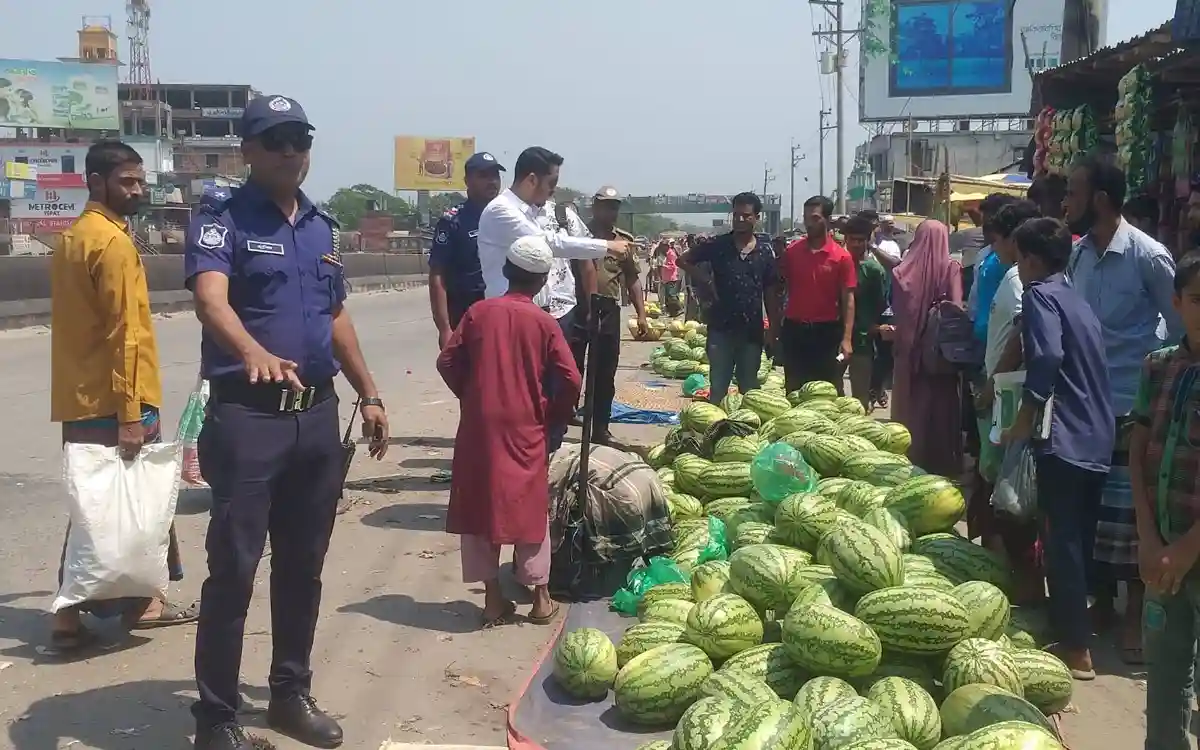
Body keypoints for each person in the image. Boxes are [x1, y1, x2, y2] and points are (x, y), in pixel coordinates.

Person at [185, 95, 390, 750]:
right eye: (275, 140)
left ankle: (288, 695)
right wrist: (252, 352)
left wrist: (370, 393)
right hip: (249, 420)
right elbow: (210, 300)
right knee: (234, 570)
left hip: (316, 420)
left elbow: (336, 316)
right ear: (248, 150)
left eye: (300, 138)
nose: (290, 151)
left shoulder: (323, 228)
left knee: (304, 566)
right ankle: (217, 718)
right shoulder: (222, 217)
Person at [49, 140, 197, 651]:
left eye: (140, 181)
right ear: (96, 182)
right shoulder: (113, 244)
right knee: (138, 505)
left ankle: (76, 614)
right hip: (118, 400)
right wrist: (131, 414)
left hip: (80, 398)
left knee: (93, 505)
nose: (138, 190)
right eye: (127, 181)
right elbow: (126, 335)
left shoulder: (71, 238)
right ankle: (138, 605)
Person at [1064, 157, 1182, 663]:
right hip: (1084, 404)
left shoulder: (1147, 256)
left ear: (1100, 200)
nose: (1066, 202)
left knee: (1133, 512)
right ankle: (1103, 606)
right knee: (1093, 512)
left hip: (1131, 403)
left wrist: (1159, 389)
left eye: (1074, 192)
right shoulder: (1078, 256)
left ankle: (1135, 611)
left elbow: (1181, 326)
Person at [437, 235, 581, 628]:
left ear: (506, 270)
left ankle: (492, 599)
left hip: (480, 426)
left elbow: (447, 361)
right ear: (542, 280)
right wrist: (555, 412)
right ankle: (540, 599)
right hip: (526, 424)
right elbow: (571, 378)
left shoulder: (479, 313)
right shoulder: (544, 322)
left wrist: (472, 395)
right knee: (529, 504)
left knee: (480, 503)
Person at [1005, 217, 1115, 680]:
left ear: (1031, 260)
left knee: (1061, 540)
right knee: (1081, 538)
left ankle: (1075, 648)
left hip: (1065, 436)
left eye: (1019, 257)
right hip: (1098, 434)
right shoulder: (1076, 298)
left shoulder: (1040, 295)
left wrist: (1026, 414)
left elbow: (1048, 356)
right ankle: (1080, 625)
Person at [1132, 251, 1200, 749]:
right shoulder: (1158, 366)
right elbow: (1137, 454)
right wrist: (1149, 537)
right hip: (1162, 550)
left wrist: (1187, 548)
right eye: (1198, 299)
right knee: (1166, 674)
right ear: (1176, 303)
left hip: (1188, 548)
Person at [969, 199, 1043, 603]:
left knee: (1007, 490)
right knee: (995, 480)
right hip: (1002, 389)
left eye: (996, 240)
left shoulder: (1018, 280)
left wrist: (992, 384)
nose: (993, 247)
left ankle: (1017, 579)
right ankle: (1004, 571)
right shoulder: (1012, 275)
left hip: (1008, 394)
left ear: (1014, 239)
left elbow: (1019, 338)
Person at [476, 146, 629, 299]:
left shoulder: (529, 211)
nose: (553, 190)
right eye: (551, 183)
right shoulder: (501, 210)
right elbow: (548, 243)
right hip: (505, 307)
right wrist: (608, 246)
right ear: (532, 180)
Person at [678, 193, 781, 405]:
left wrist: (773, 329)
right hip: (720, 329)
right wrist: (704, 278)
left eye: (746, 215)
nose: (740, 219)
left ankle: (745, 424)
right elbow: (683, 260)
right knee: (718, 387)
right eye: (736, 215)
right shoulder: (719, 245)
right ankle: (717, 423)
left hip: (751, 332)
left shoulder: (764, 251)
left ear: (757, 217)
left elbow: (770, 292)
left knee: (749, 388)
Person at [890, 220, 964, 477]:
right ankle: (941, 465)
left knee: (913, 407)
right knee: (942, 407)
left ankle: (910, 459)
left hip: (910, 352)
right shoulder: (951, 268)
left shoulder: (903, 272)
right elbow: (956, 309)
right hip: (940, 354)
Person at [587, 186, 647, 446]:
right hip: (577, 308)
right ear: (594, 207)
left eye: (614, 207)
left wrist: (642, 314)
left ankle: (600, 428)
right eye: (605, 206)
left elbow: (632, 279)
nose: (610, 211)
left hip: (607, 309)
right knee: (571, 370)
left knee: (605, 373)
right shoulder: (579, 234)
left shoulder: (624, 241)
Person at [779, 196, 857, 394]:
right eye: (806, 218)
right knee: (794, 391)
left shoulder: (841, 257)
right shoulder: (792, 252)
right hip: (795, 331)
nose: (809, 223)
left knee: (825, 391)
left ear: (828, 220)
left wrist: (847, 339)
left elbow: (848, 300)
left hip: (826, 334)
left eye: (815, 218)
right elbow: (780, 287)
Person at [429, 152, 505, 348]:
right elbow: (437, 275)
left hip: (502, 313)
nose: (492, 181)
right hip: (466, 315)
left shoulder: (509, 217)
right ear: (467, 181)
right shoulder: (453, 221)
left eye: (495, 175)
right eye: (484, 176)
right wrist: (444, 328)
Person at [840, 215, 888, 408]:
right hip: (836, 336)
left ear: (868, 241)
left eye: (861, 240)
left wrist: (871, 326)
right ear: (846, 239)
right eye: (852, 239)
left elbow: (881, 303)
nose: (856, 244)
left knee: (860, 396)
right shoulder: (838, 263)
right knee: (831, 389)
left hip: (862, 339)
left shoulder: (874, 270)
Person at [660, 239, 681, 315]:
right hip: (667, 278)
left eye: (663, 246)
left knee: (672, 295)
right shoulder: (667, 254)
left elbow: (674, 266)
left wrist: (664, 266)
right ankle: (671, 311)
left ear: (667, 246)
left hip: (671, 278)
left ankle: (677, 310)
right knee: (668, 296)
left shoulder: (671, 254)